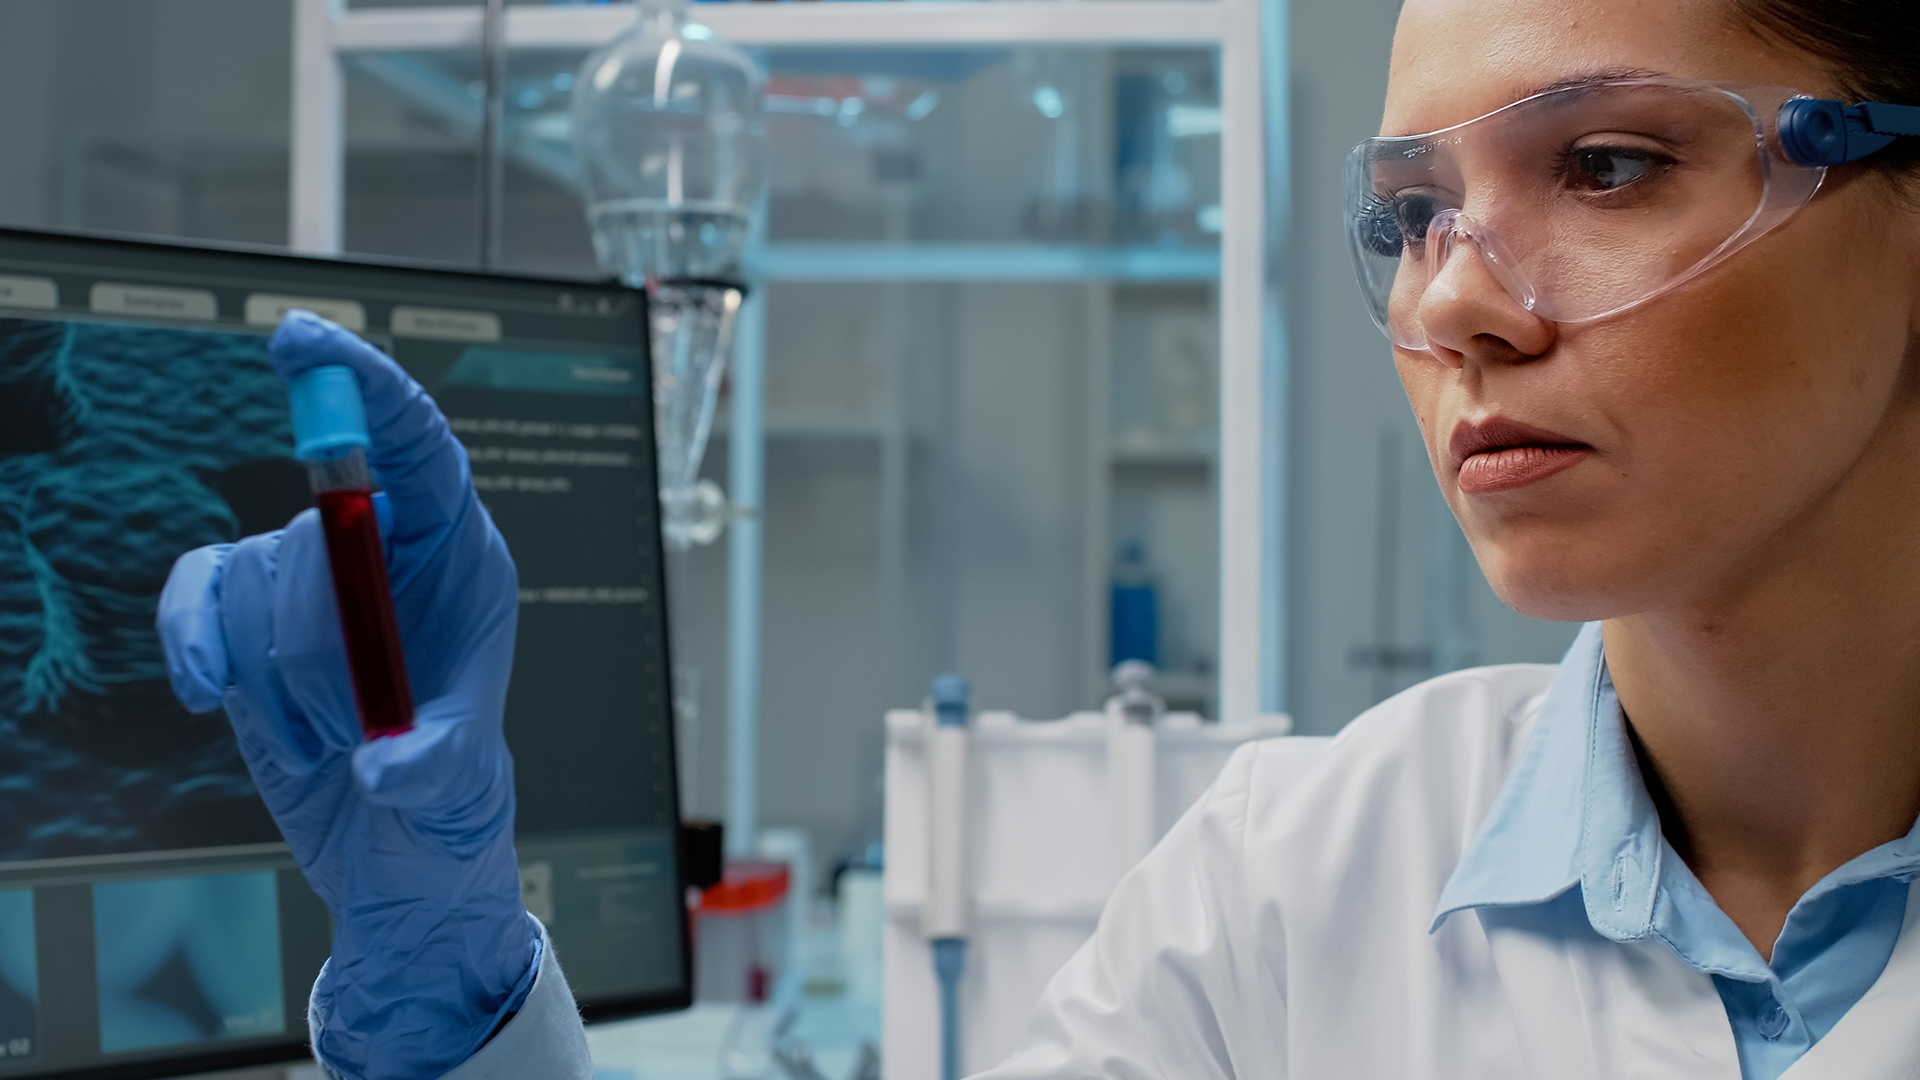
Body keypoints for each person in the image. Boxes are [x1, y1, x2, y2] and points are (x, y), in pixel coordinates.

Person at [156, 0, 1920, 1075]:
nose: (1455, 301)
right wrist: (459, 991)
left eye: (1606, 166)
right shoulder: (1294, 889)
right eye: (1410, 212)